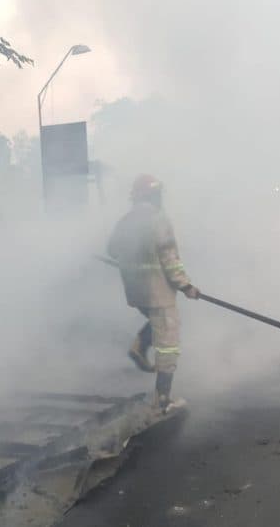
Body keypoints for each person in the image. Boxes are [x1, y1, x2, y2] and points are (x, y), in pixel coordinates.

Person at [107, 175, 199, 412]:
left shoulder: (125, 221)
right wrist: (186, 285)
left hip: (136, 292)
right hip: (157, 290)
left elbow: (113, 250)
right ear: (153, 196)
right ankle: (162, 400)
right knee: (168, 341)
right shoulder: (159, 220)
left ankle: (139, 344)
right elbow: (170, 258)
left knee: (160, 323)